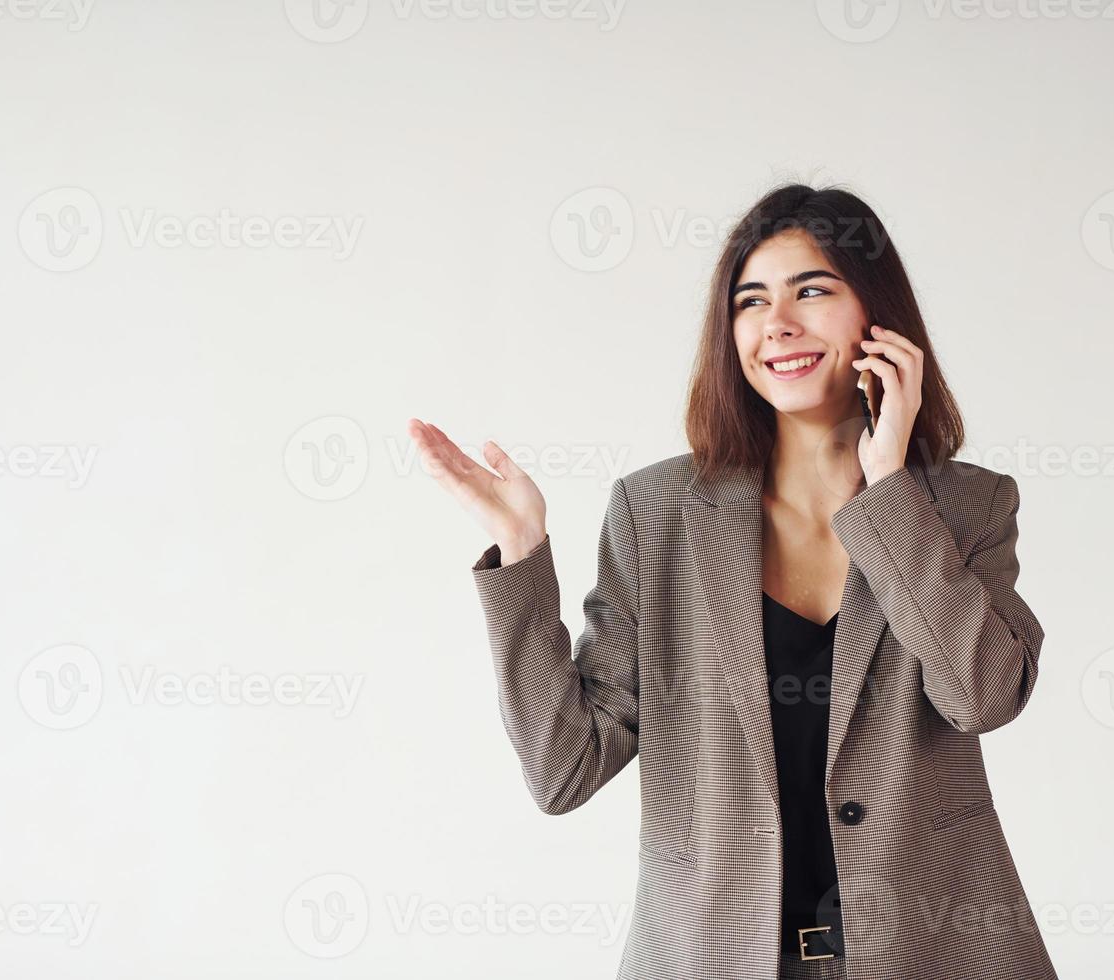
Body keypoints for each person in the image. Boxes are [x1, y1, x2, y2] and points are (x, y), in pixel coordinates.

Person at [408, 183, 1057, 980]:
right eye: (751, 302)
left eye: (811, 290)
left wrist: (889, 489)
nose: (778, 323)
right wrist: (520, 549)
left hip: (934, 953)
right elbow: (563, 769)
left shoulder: (966, 505)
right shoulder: (658, 513)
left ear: (878, 316)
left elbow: (982, 695)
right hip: (713, 957)